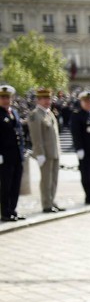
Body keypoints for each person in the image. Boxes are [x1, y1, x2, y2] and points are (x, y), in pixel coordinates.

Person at [27, 88, 63, 213]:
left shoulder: (49, 113)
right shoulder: (35, 114)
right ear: (39, 100)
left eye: (49, 98)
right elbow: (36, 136)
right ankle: (46, 203)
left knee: (53, 179)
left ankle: (52, 200)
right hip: (45, 153)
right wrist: (40, 153)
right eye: (45, 99)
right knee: (46, 180)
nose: (48, 101)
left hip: (54, 152)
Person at [0, 84, 26, 222]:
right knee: (6, 185)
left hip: (17, 155)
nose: (5, 100)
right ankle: (5, 212)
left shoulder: (14, 112)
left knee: (16, 184)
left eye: (7, 97)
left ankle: (13, 210)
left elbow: (19, 133)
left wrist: (23, 150)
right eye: (3, 98)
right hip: (5, 156)